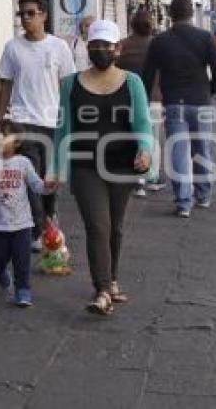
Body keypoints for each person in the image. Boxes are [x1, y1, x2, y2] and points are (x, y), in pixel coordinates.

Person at [50, 19, 153, 315]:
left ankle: (113, 279)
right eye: (95, 46)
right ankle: (102, 291)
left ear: (117, 49)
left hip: (122, 164)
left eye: (107, 46)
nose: (101, 51)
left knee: (115, 227)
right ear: (88, 48)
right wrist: (55, 169)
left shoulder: (132, 82)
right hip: (85, 166)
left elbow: (142, 122)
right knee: (98, 225)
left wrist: (145, 151)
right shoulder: (71, 83)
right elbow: (62, 130)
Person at [0, 0, 75, 251]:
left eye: (30, 13)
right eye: (22, 14)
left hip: (52, 123)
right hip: (22, 122)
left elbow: (67, 86)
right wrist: (0, 119)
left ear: (44, 15)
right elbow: (5, 84)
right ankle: (39, 230)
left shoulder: (59, 48)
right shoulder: (12, 48)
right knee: (30, 179)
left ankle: (50, 221)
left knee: (49, 179)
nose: (25, 18)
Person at [142, 0, 216, 218]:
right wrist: (213, 90)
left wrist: (145, 99)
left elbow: (148, 74)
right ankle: (204, 195)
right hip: (201, 100)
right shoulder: (205, 38)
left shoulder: (160, 41)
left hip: (174, 101)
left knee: (178, 151)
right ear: (191, 14)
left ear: (170, 14)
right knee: (202, 148)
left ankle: (183, 202)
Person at [0, 121, 51, 308]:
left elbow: (36, 185)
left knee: (22, 259)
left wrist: (47, 186)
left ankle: (23, 289)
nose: (0, 139)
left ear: (17, 142)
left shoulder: (23, 163)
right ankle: (1, 269)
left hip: (23, 224)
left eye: (5, 135)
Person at [117, 9, 163, 196]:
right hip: (154, 98)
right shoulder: (158, 45)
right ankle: (151, 177)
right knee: (153, 138)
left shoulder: (123, 45)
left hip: (128, 98)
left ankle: (137, 179)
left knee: (131, 137)